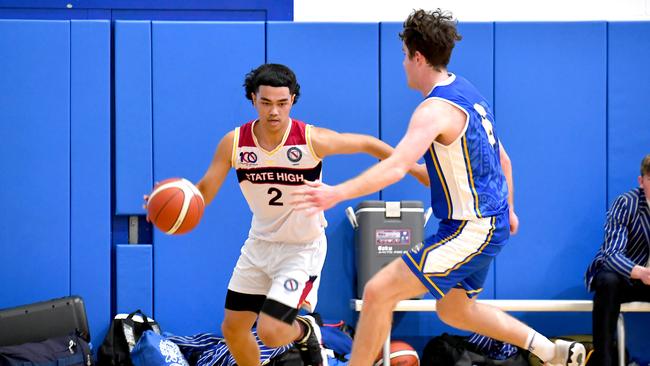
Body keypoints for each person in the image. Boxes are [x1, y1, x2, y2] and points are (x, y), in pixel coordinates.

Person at [291, 9, 586, 366]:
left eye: (404, 56)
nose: (402, 64)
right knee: (455, 309)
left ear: (418, 57)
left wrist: (336, 192)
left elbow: (395, 167)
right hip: (486, 224)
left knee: (378, 291)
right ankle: (551, 351)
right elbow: (502, 162)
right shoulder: (468, 92)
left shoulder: (434, 110)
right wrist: (509, 211)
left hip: (470, 228)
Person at [191, 63, 428, 366]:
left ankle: (306, 331)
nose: (274, 111)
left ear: (292, 100)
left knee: (271, 331)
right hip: (259, 246)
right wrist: (180, 201)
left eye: (282, 103)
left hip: (301, 250)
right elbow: (204, 190)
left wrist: (417, 169)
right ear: (253, 99)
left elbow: (367, 144)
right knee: (234, 329)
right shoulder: (235, 144)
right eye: (266, 103)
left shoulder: (310, 140)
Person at [585, 154, 650, 366]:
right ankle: (603, 358)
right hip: (622, 277)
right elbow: (612, 255)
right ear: (641, 181)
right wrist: (641, 272)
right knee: (608, 281)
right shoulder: (625, 204)